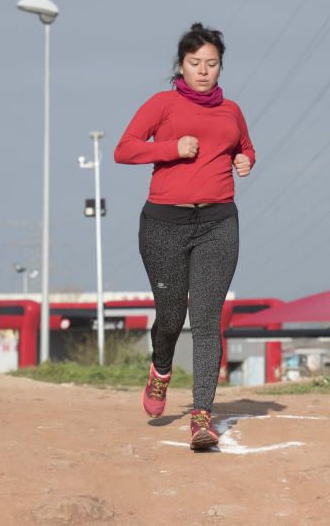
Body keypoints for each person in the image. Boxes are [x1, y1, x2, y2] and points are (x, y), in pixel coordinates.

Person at [114, 23, 255, 450]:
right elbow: (124, 149)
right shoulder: (163, 104)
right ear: (181, 65)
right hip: (163, 226)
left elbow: (245, 146)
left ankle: (201, 416)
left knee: (208, 318)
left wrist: (246, 159)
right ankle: (160, 370)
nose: (203, 71)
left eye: (211, 64)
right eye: (195, 63)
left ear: (220, 67)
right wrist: (171, 149)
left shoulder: (231, 110)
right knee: (172, 316)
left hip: (218, 223)